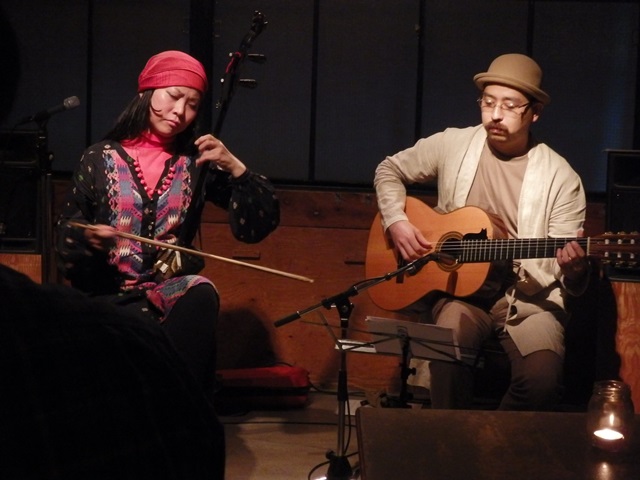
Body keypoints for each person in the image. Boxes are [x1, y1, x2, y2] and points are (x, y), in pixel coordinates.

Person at [55, 50, 280, 400]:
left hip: (164, 291)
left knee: (200, 291)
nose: (180, 112)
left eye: (192, 105)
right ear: (147, 92)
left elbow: (255, 226)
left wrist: (236, 167)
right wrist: (90, 239)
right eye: (173, 96)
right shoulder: (98, 158)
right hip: (106, 291)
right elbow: (67, 232)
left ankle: (179, 409)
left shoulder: (196, 164)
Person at [373, 53, 590, 411]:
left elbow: (565, 268)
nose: (495, 115)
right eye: (488, 103)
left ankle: (493, 441)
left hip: (527, 299)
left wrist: (575, 270)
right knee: (445, 353)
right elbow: (389, 170)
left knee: (542, 380)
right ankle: (454, 439)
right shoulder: (453, 144)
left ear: (534, 112)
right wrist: (396, 220)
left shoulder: (561, 177)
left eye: (510, 105)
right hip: (460, 293)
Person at [0, 263, 226, 479]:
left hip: (159, 286)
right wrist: (96, 250)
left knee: (201, 292)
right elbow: (74, 263)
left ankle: (179, 422)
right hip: (107, 290)